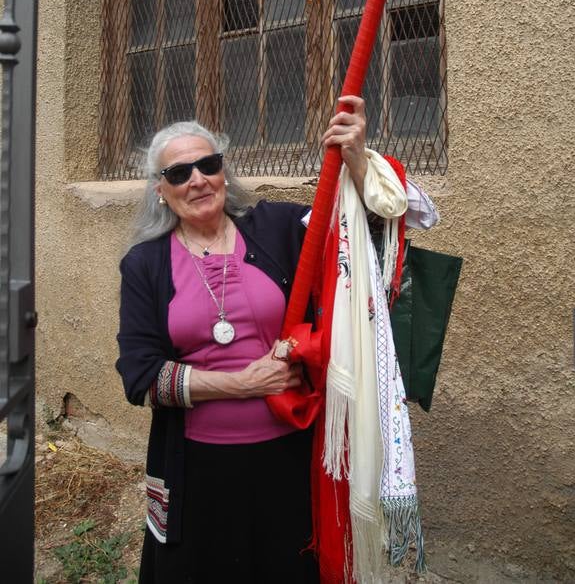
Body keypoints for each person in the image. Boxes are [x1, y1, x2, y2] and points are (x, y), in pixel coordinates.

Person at [116, 96, 438, 584]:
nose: (197, 179)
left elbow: (371, 227)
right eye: (179, 173)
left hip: (289, 458)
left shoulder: (280, 228)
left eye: (208, 164)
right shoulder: (145, 264)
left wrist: (356, 158)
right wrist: (239, 383)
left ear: (225, 172)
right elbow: (140, 375)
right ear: (160, 191)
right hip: (196, 471)